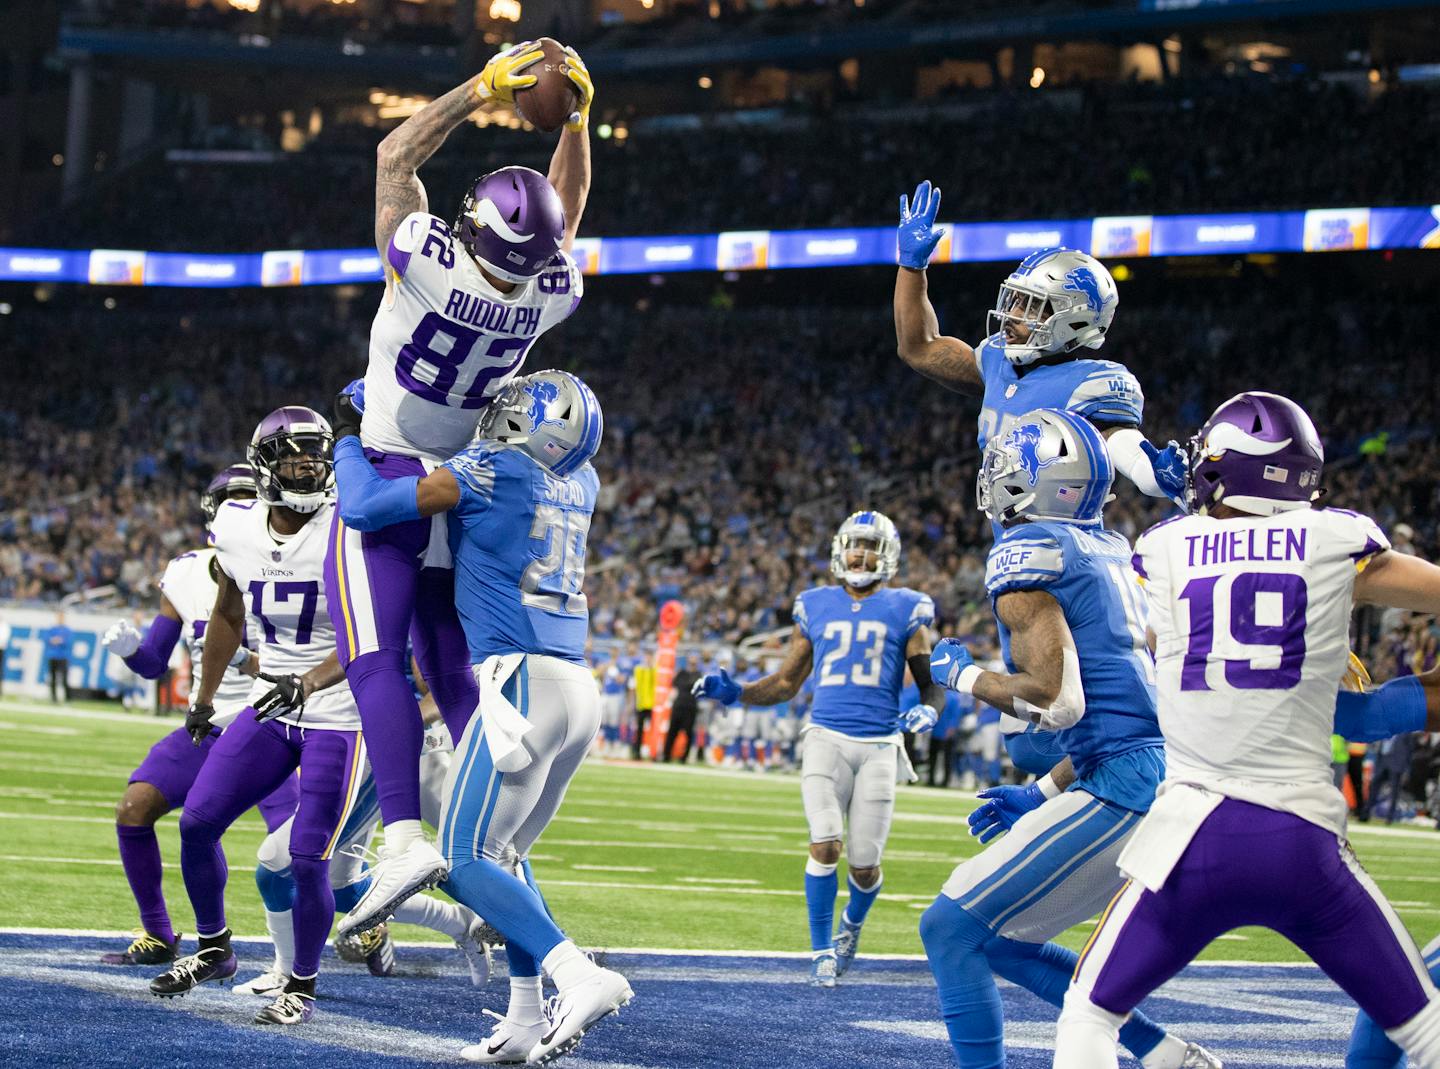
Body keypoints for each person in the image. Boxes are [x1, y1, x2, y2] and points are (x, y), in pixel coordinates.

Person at [1054, 391, 1440, 1069]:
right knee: (1422, 1026)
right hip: (1301, 840)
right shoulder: (1337, 538)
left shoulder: (1165, 546)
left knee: (1089, 1013)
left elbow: (1168, 636)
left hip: (1190, 838)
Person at [327, 40, 596, 936]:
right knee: (448, 652)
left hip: (397, 457)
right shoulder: (548, 290)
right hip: (469, 478)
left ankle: (403, 834)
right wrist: (580, 122)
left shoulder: (426, 254)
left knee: (377, 654)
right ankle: (500, 821)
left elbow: (394, 157)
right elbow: (573, 210)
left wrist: (480, 90)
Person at [330, 369, 632, 1063]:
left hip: (519, 679)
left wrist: (351, 437)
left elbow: (369, 506)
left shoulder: (495, 466)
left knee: (463, 859)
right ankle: (526, 1018)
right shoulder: (578, 482)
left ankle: (578, 972)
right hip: (574, 686)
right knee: (506, 856)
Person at [921, 408, 1217, 1069]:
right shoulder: (1112, 550)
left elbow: (1057, 700)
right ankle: (1164, 1052)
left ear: (1045, 481)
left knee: (948, 927)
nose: (997, 474)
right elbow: (1129, 700)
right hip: (1159, 774)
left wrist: (962, 673)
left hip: (1124, 786)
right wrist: (1042, 790)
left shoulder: (1031, 553)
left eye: (1011, 465)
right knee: (998, 939)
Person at [148, 407, 364, 1028]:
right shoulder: (238, 526)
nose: (309, 465)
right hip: (272, 703)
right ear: (265, 466)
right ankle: (214, 948)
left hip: (336, 711)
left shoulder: (347, 526)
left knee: (306, 855)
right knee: (197, 823)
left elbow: (371, 628)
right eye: (294, 456)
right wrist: (203, 698)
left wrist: (311, 680)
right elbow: (227, 614)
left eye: (316, 455)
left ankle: (301, 983)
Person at [694, 510, 946, 986]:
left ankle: (852, 924)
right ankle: (820, 951)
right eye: (855, 544)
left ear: (886, 554)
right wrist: (738, 692)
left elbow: (931, 684)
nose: (861, 554)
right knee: (826, 841)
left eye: (870, 546)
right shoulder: (814, 604)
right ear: (839, 549)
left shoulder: (908, 607)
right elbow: (788, 681)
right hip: (825, 737)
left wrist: (930, 711)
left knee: (865, 865)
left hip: (878, 745)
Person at [98, 463, 300, 967]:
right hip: (207, 727)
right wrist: (129, 650)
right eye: (232, 502)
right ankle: (160, 934)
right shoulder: (185, 572)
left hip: (270, 724)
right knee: (134, 808)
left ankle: (364, 924)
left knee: (298, 850)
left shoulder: (292, 561)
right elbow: (152, 665)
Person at [893, 181, 1187, 511]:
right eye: (1016, 299)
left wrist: (1153, 474)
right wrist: (911, 266)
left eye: (1032, 306)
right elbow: (918, 347)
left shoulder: (1092, 385)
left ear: (1074, 320)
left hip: (1061, 549)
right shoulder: (996, 360)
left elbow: (1124, 446)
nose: (1012, 315)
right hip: (1011, 547)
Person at [665, 655, 701, 763]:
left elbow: (693, 685)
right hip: (679, 705)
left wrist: (686, 684)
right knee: (672, 732)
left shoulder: (698, 674)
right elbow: (675, 683)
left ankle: (684, 757)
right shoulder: (682, 672)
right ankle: (666, 755)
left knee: (688, 733)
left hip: (690, 707)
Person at [44, 610, 72, 703]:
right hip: (53, 656)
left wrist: (58, 640)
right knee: (53, 678)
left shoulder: (67, 630)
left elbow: (67, 642)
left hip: (63, 657)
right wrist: (56, 640)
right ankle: (54, 698)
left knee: (64, 679)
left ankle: (68, 698)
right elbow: (47, 640)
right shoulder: (52, 629)